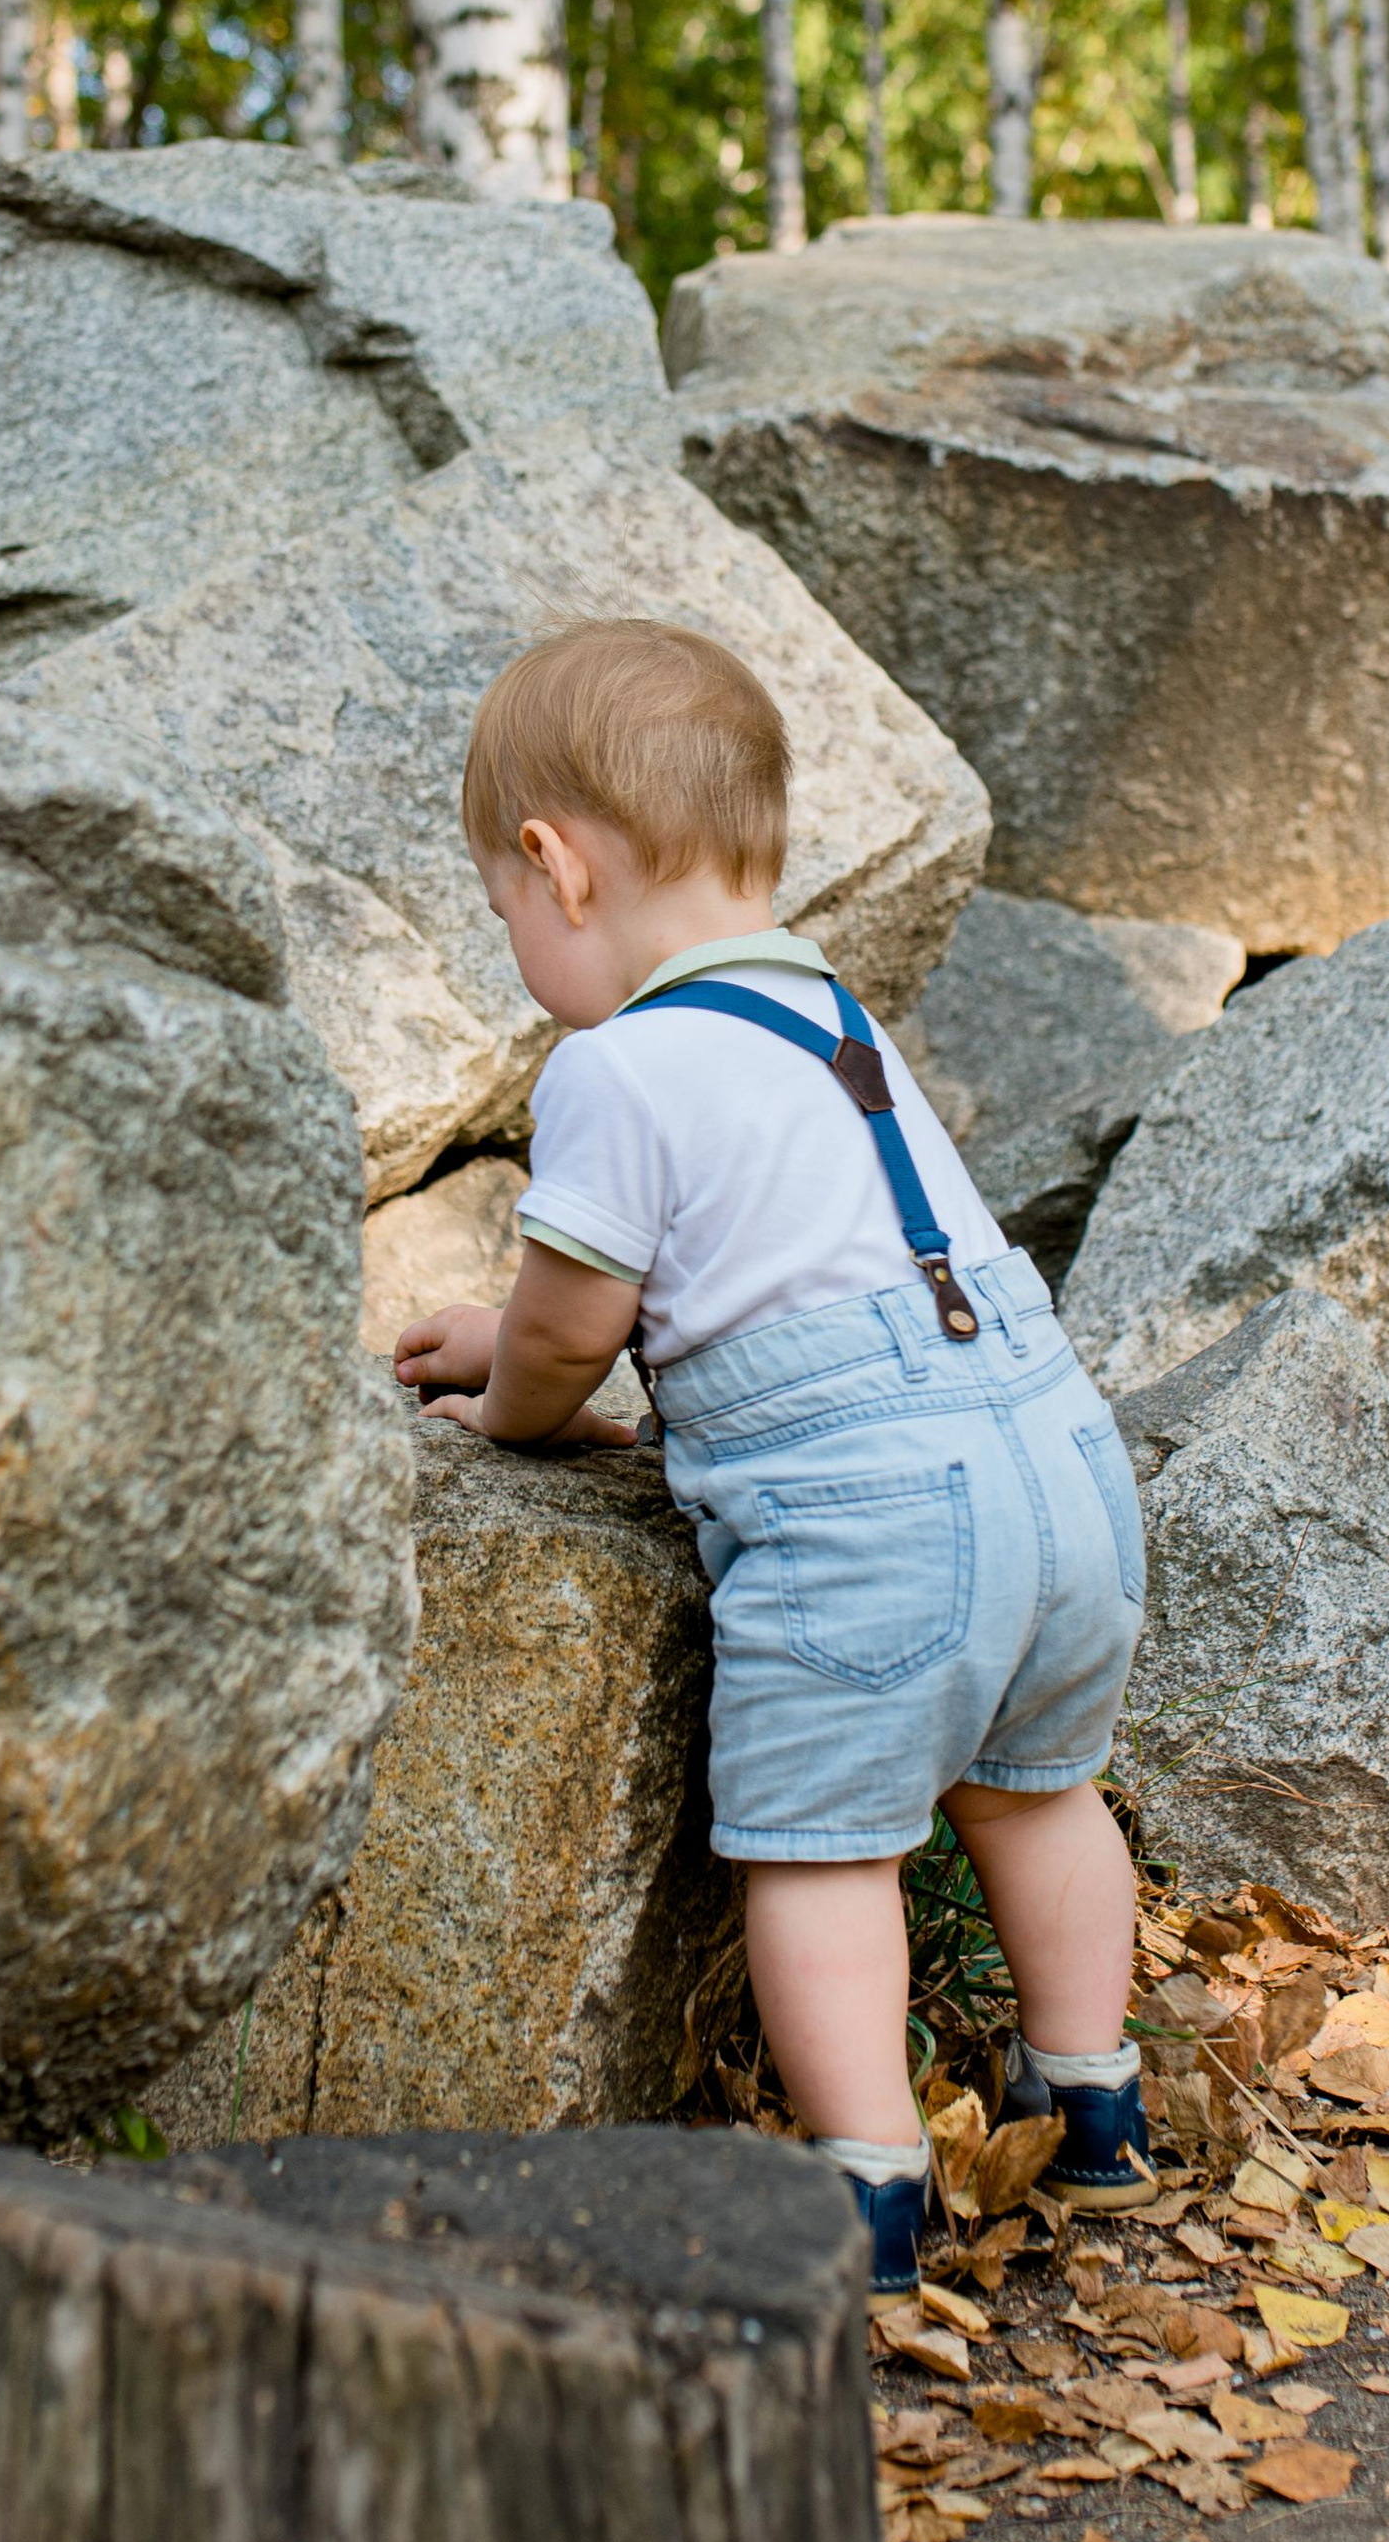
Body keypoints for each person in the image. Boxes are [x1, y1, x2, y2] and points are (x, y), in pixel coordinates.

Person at [394, 616, 1152, 2288]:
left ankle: (868, 2182)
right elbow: (787, 1269)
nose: (516, 943)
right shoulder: (832, 1015)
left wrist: (511, 1398)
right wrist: (517, 1327)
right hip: (1057, 1466)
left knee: (821, 1849)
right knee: (1038, 1796)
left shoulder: (617, 1064)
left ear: (557, 865)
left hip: (878, 1523)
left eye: (504, 909)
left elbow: (572, 1328)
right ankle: (1094, 2101)